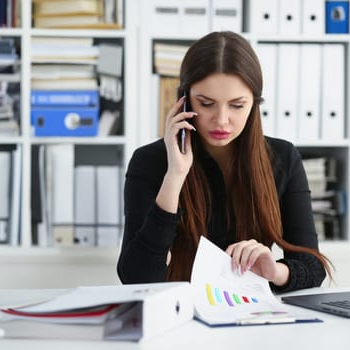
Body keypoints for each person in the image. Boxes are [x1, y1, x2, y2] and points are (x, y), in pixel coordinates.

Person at [117, 31, 332, 293]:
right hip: (177, 317)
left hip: (249, 312)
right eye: (206, 104)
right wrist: (174, 176)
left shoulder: (283, 158)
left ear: (254, 104)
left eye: (237, 105)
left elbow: (313, 267)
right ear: (184, 99)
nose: (221, 120)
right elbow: (135, 278)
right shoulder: (149, 161)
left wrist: (275, 270)